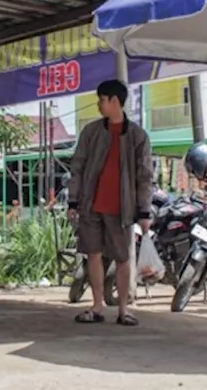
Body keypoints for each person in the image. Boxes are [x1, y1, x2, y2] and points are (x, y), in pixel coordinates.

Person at [67, 79, 155, 327]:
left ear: (115, 101)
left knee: (123, 258)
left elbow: (144, 175)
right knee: (93, 254)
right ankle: (96, 306)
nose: (98, 105)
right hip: (91, 204)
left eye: (102, 100)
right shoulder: (91, 132)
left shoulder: (138, 136)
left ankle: (124, 309)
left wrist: (144, 210)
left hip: (122, 208)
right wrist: (73, 201)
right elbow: (78, 167)